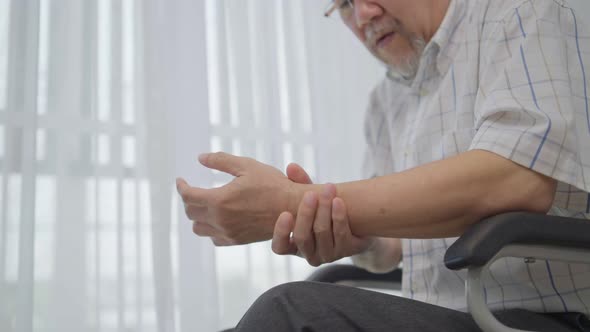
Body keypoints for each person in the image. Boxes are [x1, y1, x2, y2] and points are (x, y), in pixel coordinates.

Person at [177, 0, 590, 330]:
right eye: (343, 5)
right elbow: (389, 250)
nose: (363, 15)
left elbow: (516, 181)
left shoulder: (520, 14)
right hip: (436, 312)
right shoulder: (385, 102)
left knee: (288, 311)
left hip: (538, 317)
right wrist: (353, 236)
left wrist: (288, 198)